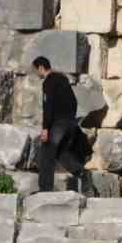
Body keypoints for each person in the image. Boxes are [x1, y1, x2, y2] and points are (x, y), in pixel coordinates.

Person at [34, 56, 88, 194]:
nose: (37, 73)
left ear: (41, 67)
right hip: (70, 123)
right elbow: (74, 102)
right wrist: (70, 120)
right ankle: (82, 173)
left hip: (58, 124)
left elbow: (48, 105)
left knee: (46, 152)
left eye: (37, 70)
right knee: (61, 153)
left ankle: (44, 189)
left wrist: (46, 128)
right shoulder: (63, 79)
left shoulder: (48, 82)